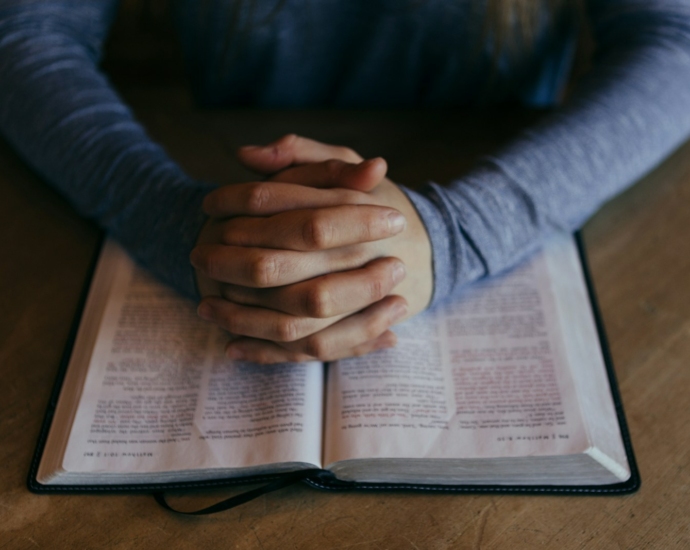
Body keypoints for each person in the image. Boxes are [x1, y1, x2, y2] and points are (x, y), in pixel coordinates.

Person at [1, 0, 689, 364]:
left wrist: (453, 235)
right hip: (228, 178)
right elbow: (23, 32)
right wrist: (196, 228)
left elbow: (674, 39)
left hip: (494, 175)